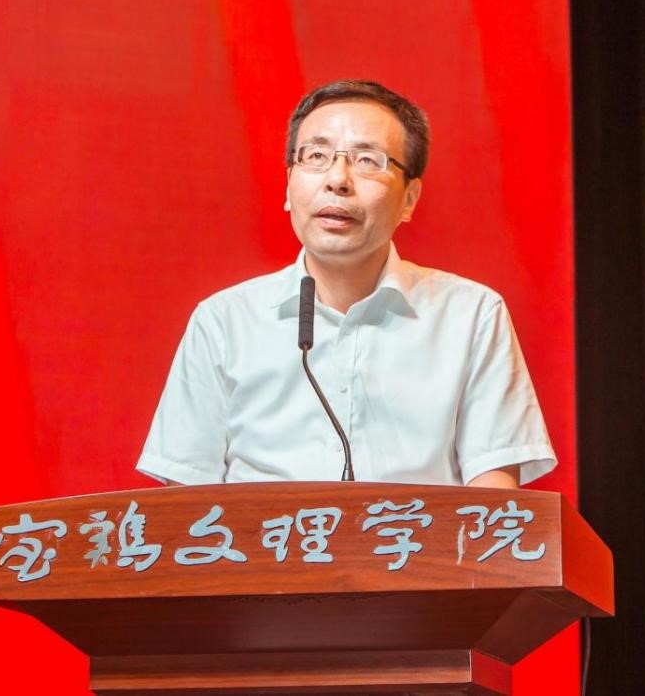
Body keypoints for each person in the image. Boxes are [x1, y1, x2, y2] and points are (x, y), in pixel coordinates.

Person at [136, 80, 555, 489]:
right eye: (316, 156)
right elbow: (187, 503)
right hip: (263, 541)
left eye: (368, 160)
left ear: (409, 199)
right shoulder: (224, 322)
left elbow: (494, 499)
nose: (337, 180)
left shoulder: (471, 316)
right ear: (288, 185)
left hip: (419, 539)